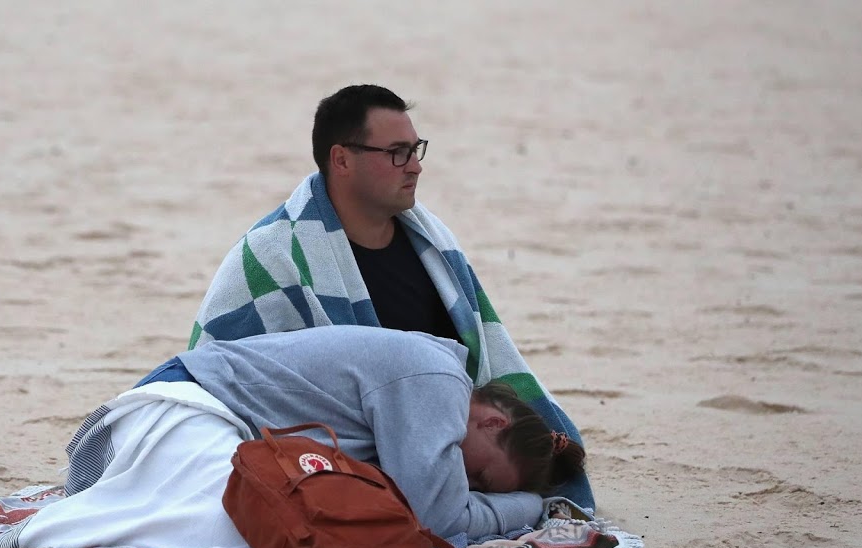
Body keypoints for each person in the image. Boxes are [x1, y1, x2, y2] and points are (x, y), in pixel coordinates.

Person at [188, 84, 596, 512]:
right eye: (398, 152)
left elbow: (484, 355)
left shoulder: (433, 243)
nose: (415, 167)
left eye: (417, 149)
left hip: (443, 437)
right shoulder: (272, 254)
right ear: (341, 159)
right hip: (335, 451)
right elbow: (217, 376)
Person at [12, 327, 585, 548]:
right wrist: (524, 508)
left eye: (479, 485)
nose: (468, 484)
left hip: (178, 428)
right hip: (176, 415)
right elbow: (440, 518)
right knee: (252, 529)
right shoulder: (435, 383)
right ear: (491, 424)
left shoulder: (433, 377)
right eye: (480, 474)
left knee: (291, 524)